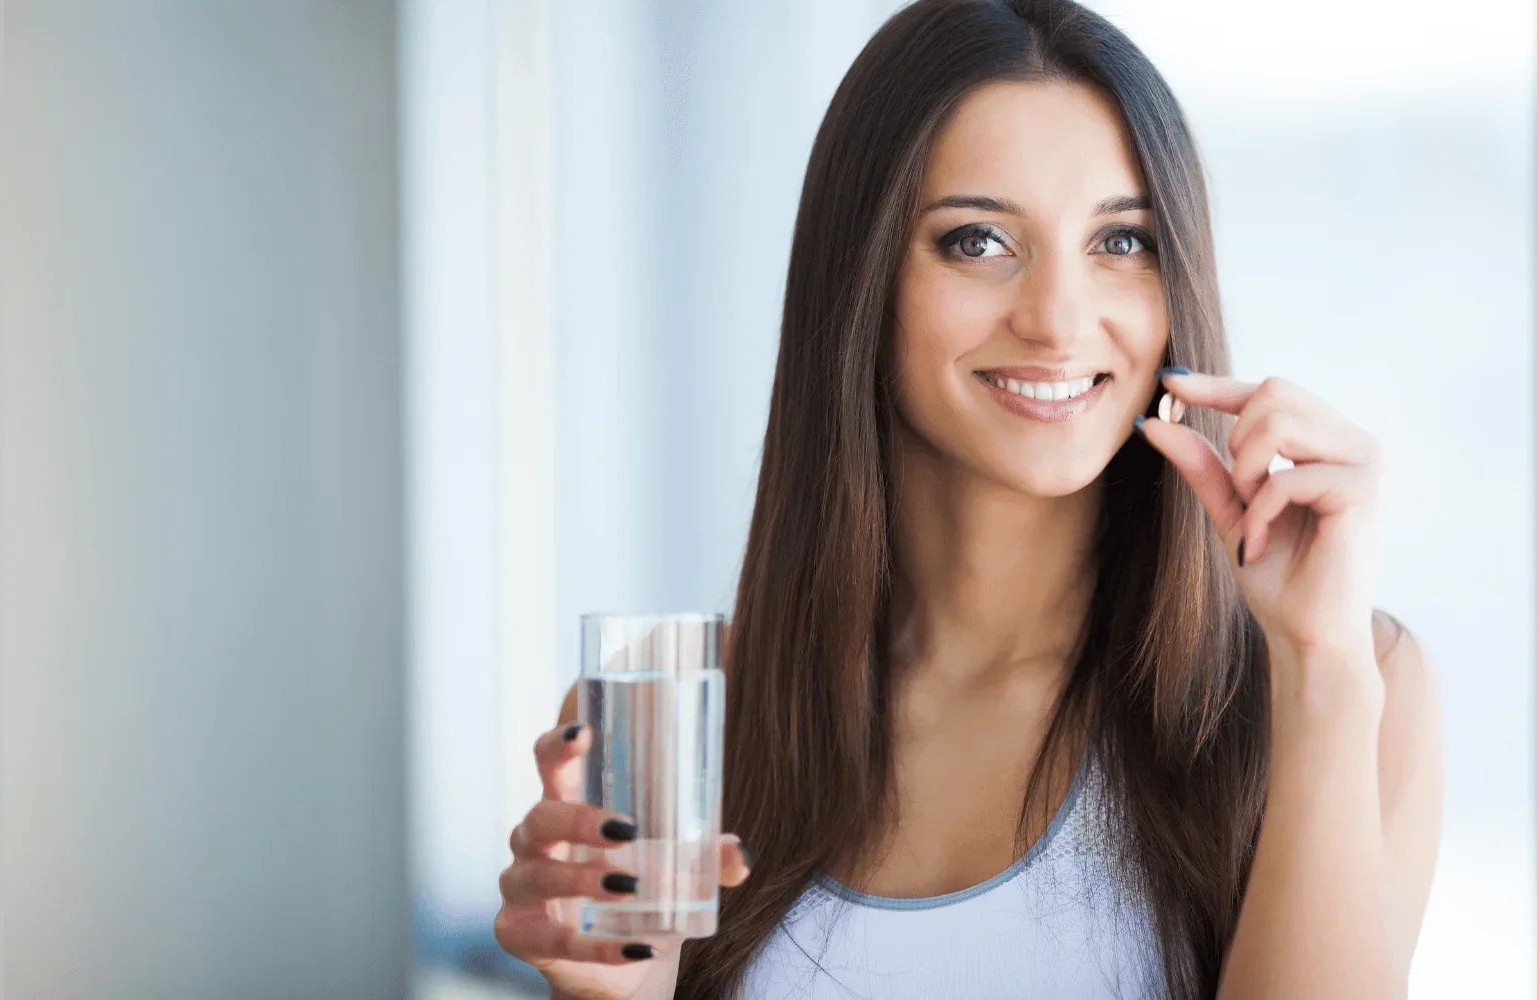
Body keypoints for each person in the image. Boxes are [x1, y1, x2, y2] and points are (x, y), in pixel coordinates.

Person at [492, 0, 1445, 997]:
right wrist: (611, 995)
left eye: (1120, 243)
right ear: (860, 277)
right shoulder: (677, 720)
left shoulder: (1343, 682)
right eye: (977, 240)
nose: (1057, 319)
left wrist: (1319, 670)